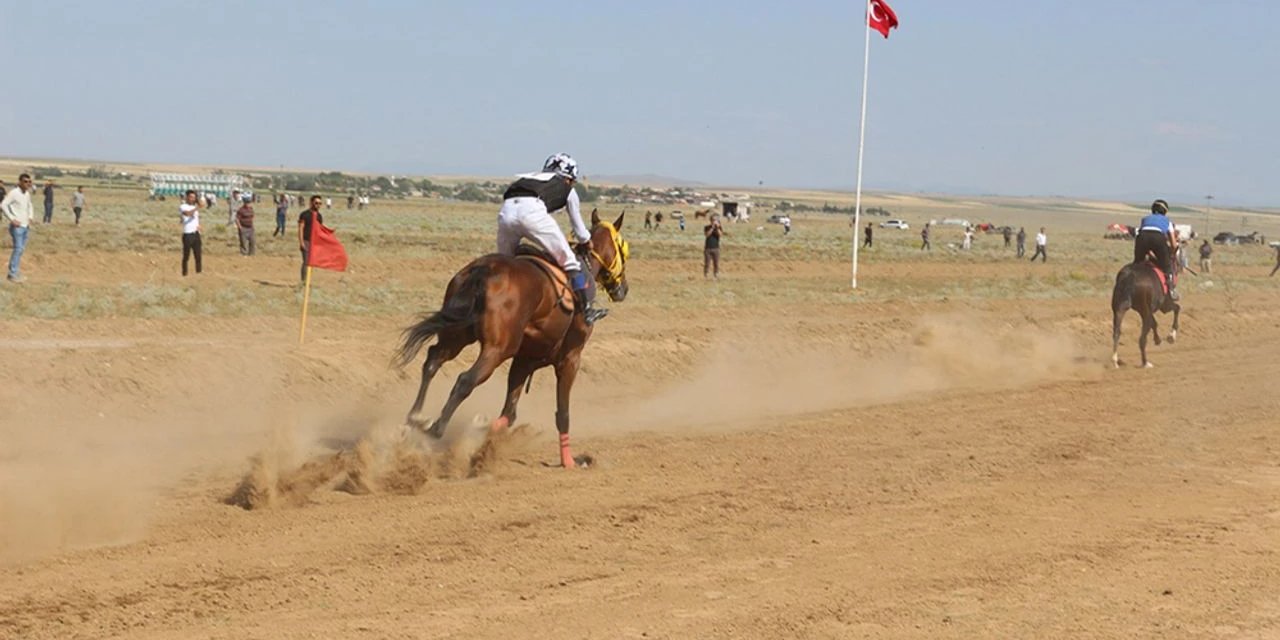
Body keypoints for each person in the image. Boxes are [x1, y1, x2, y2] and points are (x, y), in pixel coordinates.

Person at [497, 153, 607, 325]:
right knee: (571, 262)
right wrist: (586, 241)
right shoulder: (567, 188)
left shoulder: (530, 177)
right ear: (569, 178)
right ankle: (587, 309)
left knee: (504, 263)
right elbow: (579, 229)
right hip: (531, 213)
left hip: (506, 213)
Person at [1133, 199, 1177, 299]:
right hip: (1158, 238)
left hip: (1142, 237)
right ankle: (1171, 290)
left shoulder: (1145, 219)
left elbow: (1144, 235)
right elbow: (1173, 244)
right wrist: (1171, 253)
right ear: (1165, 211)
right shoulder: (1167, 222)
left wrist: (1148, 252)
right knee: (1167, 267)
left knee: (1136, 264)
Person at [2, 174, 35, 283]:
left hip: (26, 225)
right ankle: (12, 274)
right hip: (17, 226)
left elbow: (29, 205)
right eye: (25, 181)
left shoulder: (27, 194)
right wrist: (12, 219)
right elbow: (3, 205)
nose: (28, 184)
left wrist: (30, 217)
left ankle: (15, 272)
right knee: (18, 249)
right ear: (20, 182)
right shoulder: (14, 193)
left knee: (20, 250)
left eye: (29, 181)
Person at [298, 194, 324, 283]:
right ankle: (303, 281)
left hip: (314, 242)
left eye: (320, 203)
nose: (318, 205)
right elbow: (301, 228)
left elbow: (319, 230)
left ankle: (308, 281)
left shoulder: (319, 216)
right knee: (306, 261)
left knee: (311, 262)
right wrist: (301, 242)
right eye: (316, 203)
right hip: (306, 241)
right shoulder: (304, 215)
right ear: (311, 203)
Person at [179, 189, 203, 276]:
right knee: (186, 256)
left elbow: (196, 217)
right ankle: (184, 273)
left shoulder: (195, 206)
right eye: (191, 197)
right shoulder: (183, 206)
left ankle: (199, 272)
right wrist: (196, 207)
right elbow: (187, 214)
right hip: (187, 234)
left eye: (194, 197)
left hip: (196, 233)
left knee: (198, 255)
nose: (192, 199)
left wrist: (199, 226)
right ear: (187, 197)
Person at [704, 213, 724, 279]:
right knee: (707, 263)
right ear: (711, 220)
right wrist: (712, 228)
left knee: (716, 263)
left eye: (716, 220)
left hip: (716, 248)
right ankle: (706, 275)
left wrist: (717, 228)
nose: (714, 221)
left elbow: (720, 235)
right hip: (708, 248)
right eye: (713, 220)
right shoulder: (707, 227)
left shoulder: (719, 227)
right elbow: (707, 235)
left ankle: (716, 275)